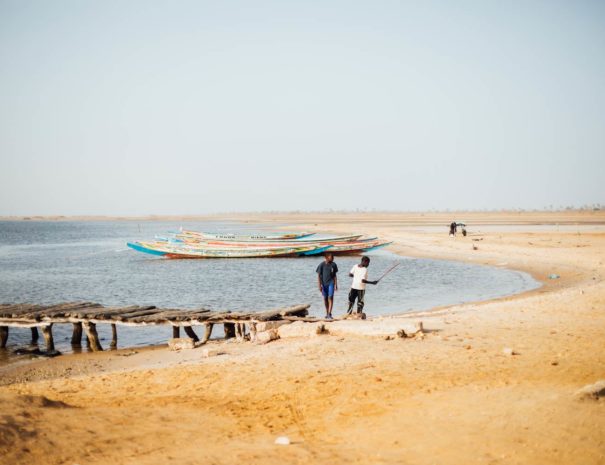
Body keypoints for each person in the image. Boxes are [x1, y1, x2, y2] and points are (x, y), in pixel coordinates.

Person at [316, 253, 338, 319]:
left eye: (333, 257)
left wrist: (336, 284)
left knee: (330, 297)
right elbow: (319, 276)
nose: (332, 258)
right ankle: (327, 313)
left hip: (331, 283)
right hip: (324, 284)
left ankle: (329, 313)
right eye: (331, 257)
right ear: (326, 257)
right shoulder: (321, 265)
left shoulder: (334, 265)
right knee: (325, 298)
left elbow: (334, 276)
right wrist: (319, 285)